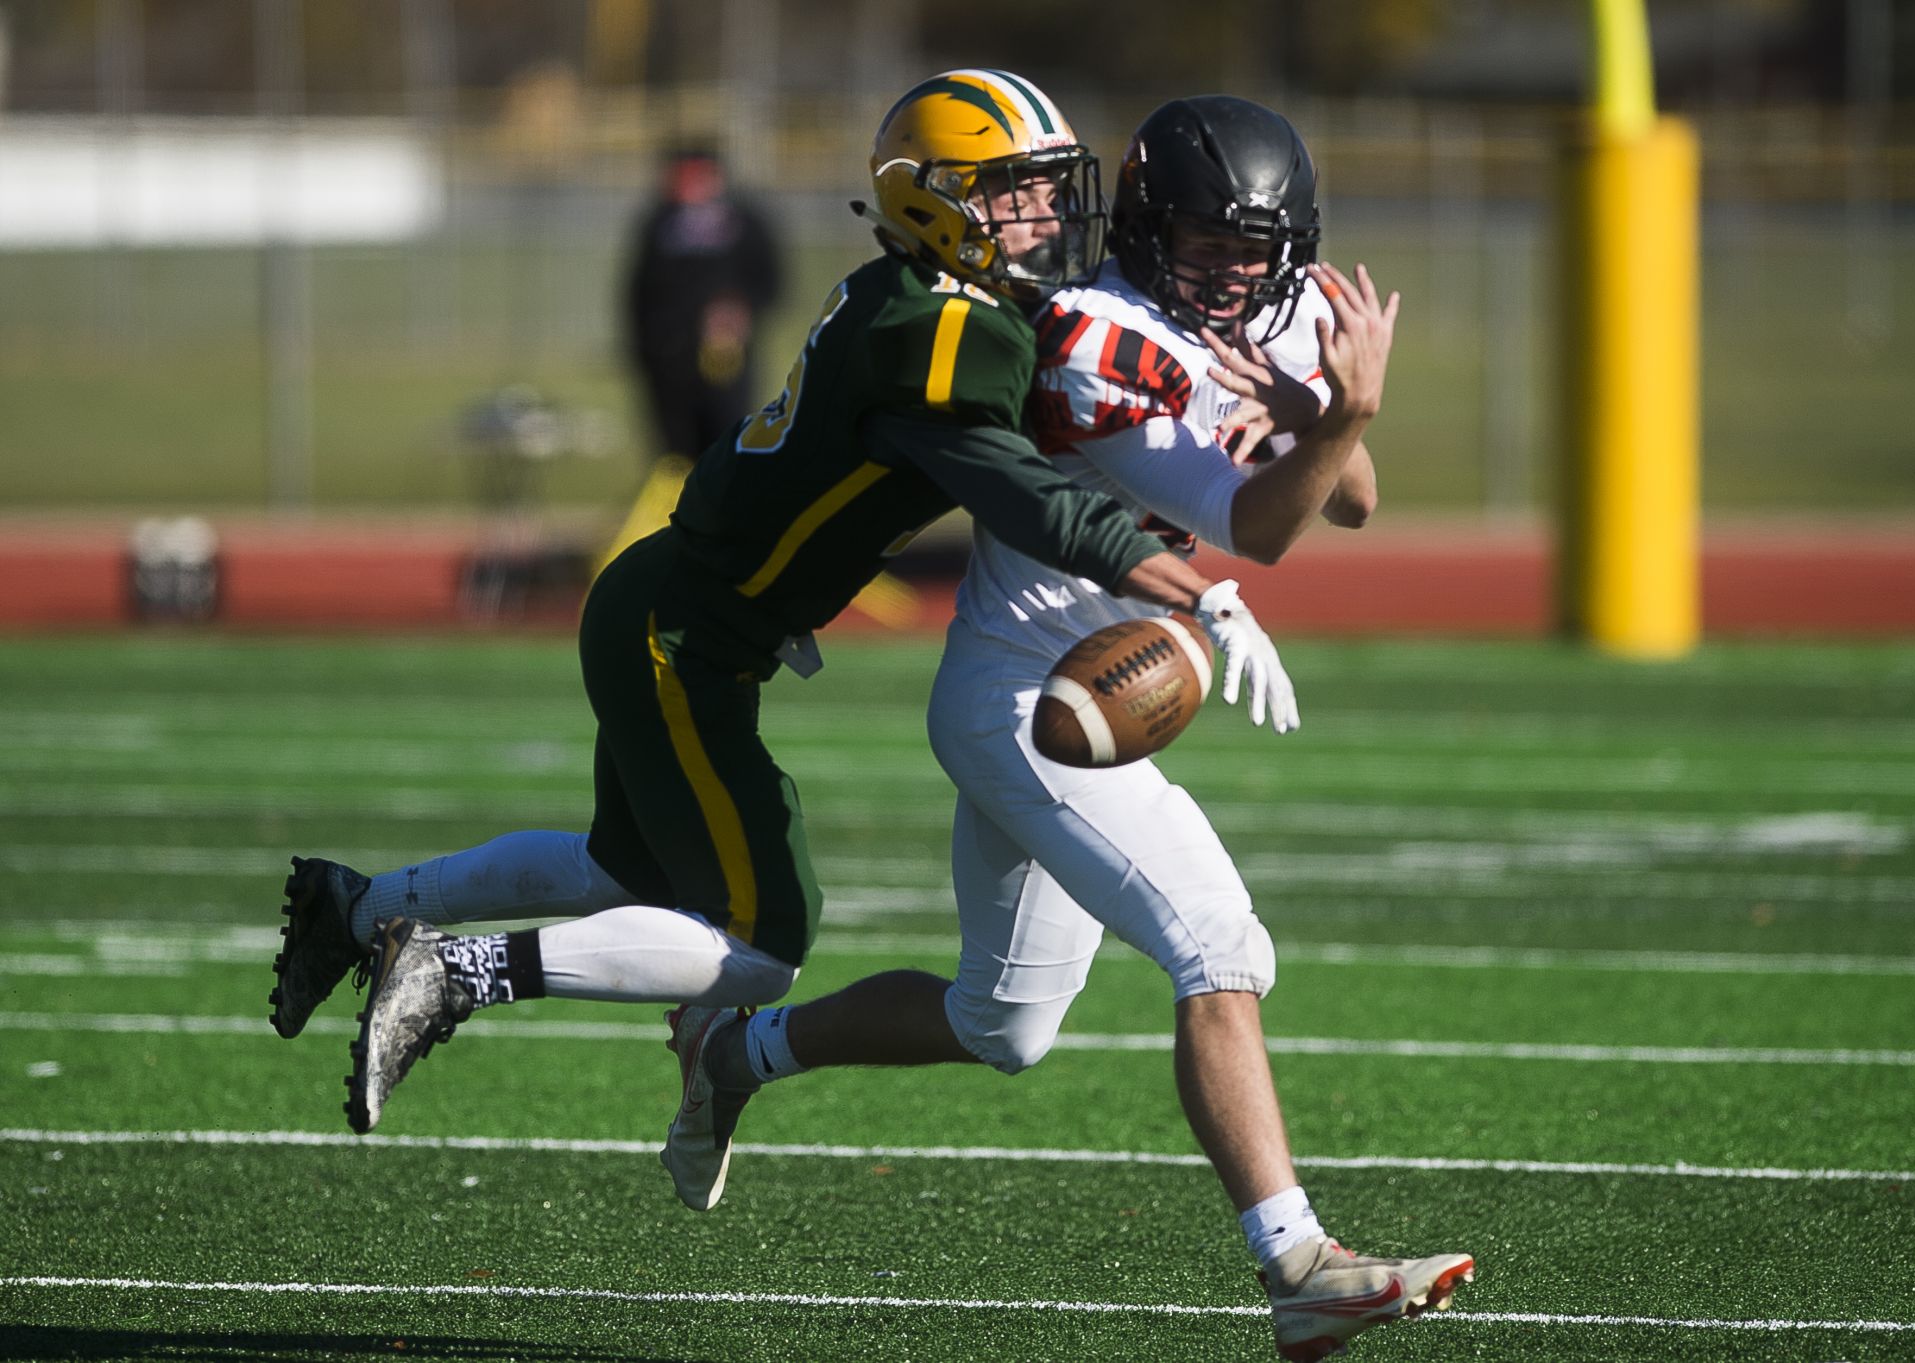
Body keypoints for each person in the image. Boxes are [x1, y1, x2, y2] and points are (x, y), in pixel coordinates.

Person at [263, 71, 1295, 1146]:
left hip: (672, 607)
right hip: (684, 635)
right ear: (932, 201)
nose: (1043, 214)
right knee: (762, 942)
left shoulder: (920, 296)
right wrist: (1188, 582)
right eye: (1011, 192)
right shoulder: (948, 331)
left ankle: (357, 905)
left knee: (622, 871)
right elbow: (1023, 495)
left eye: (1047, 187)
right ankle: (455, 971)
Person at [666, 96, 1472, 1363]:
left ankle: (734, 1050)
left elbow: (1351, 500)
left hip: (1073, 695)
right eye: (1205, 246)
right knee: (1218, 946)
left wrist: (1320, 412)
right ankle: (1299, 1268)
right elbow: (1258, 526)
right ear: (1148, 232)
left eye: (1253, 252)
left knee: (1001, 1025)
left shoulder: (1276, 307)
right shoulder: (1097, 336)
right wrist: (1335, 421)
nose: (1233, 275)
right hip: (1026, 697)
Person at [599, 144, 785, 572]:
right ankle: (674, 546)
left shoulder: (743, 222)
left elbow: (771, 281)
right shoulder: (658, 223)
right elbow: (637, 291)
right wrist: (641, 349)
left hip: (725, 367)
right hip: (667, 364)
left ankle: (734, 547)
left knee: (726, 451)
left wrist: (738, 309)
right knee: (672, 459)